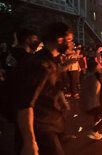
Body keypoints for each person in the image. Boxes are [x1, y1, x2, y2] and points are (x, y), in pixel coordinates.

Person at [18, 22, 74, 155]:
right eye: (70, 40)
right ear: (60, 39)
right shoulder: (40, 65)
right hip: (41, 131)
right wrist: (29, 142)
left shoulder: (51, 61)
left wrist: (62, 101)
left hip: (51, 126)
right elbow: (25, 104)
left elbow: (51, 86)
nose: (71, 44)